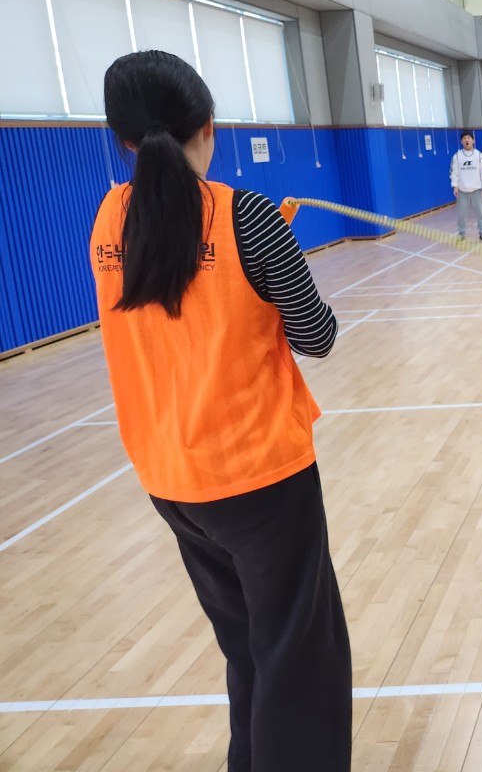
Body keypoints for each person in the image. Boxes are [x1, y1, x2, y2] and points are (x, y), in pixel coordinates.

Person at [91, 50, 351, 772]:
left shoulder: (109, 217)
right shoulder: (249, 216)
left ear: (124, 140)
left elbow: (183, 277)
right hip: (258, 477)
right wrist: (277, 248)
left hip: (171, 479)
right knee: (299, 659)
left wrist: (267, 247)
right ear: (209, 125)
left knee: (249, 648)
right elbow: (318, 336)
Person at [452, 130, 482, 238]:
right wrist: (455, 186)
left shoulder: (479, 155)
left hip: (477, 190)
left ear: (473, 140)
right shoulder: (457, 156)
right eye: (464, 138)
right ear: (461, 141)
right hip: (462, 190)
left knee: (480, 213)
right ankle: (461, 233)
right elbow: (454, 173)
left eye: (468, 138)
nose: (466, 140)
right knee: (461, 215)